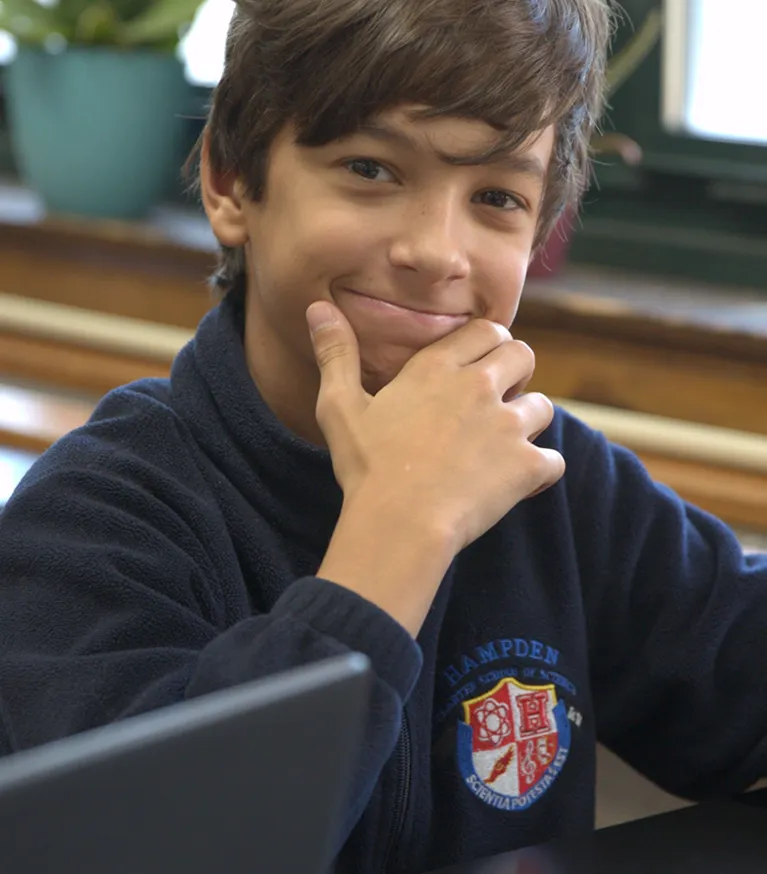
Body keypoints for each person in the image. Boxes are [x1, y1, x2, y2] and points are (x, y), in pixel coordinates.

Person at [1, 0, 766, 870]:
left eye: (495, 197)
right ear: (228, 183)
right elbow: (169, 846)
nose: (437, 251)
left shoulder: (544, 473)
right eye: (369, 168)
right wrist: (397, 532)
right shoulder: (90, 521)